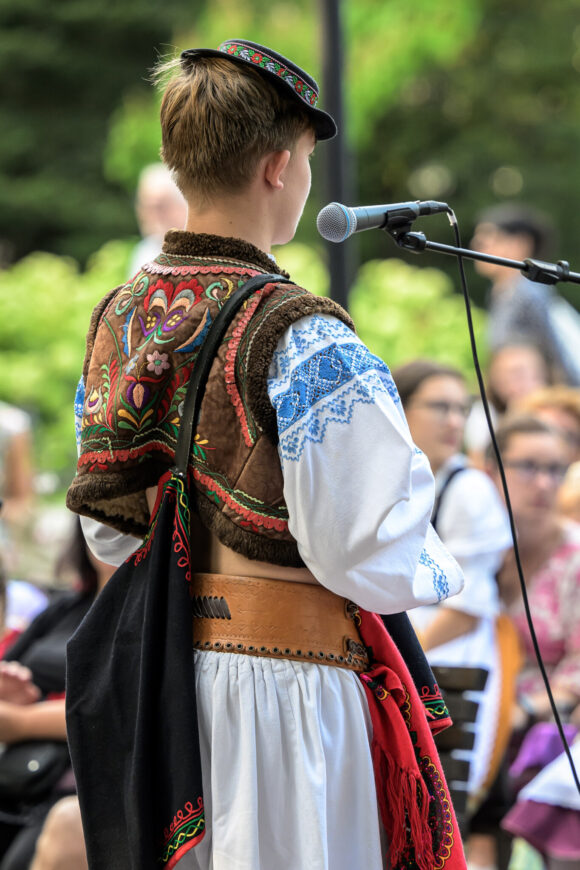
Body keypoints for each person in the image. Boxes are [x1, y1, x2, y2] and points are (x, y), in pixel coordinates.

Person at [66, 38, 466, 870]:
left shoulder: (124, 318)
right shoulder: (303, 332)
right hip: (288, 696)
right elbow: (367, 551)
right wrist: (442, 563)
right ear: (280, 167)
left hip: (168, 689)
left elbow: (110, 534)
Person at [391, 360, 518, 867]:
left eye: (460, 409)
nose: (452, 421)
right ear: (398, 409)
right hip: (403, 662)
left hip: (452, 668)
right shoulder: (391, 477)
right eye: (439, 406)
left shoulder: (469, 489)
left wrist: (393, 656)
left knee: (441, 812)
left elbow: (467, 609)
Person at [0, 518, 114, 870]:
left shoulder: (148, 618)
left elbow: (116, 708)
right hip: (14, 772)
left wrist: (20, 721)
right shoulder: (64, 607)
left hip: (73, 782)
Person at [487, 415, 580, 727]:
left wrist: (523, 710)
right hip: (466, 714)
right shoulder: (474, 547)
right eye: (527, 467)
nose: (544, 483)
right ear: (491, 471)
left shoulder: (574, 556)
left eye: (555, 470)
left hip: (546, 735)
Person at [471, 202, 580, 386]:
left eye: (486, 240)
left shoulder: (527, 293)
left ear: (520, 243)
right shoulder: (505, 291)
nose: (475, 246)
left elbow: (557, 355)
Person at [127, 163, 187, 276]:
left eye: (159, 207)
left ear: (182, 206)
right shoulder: (144, 252)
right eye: (145, 207)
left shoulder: (196, 253)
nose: (152, 215)